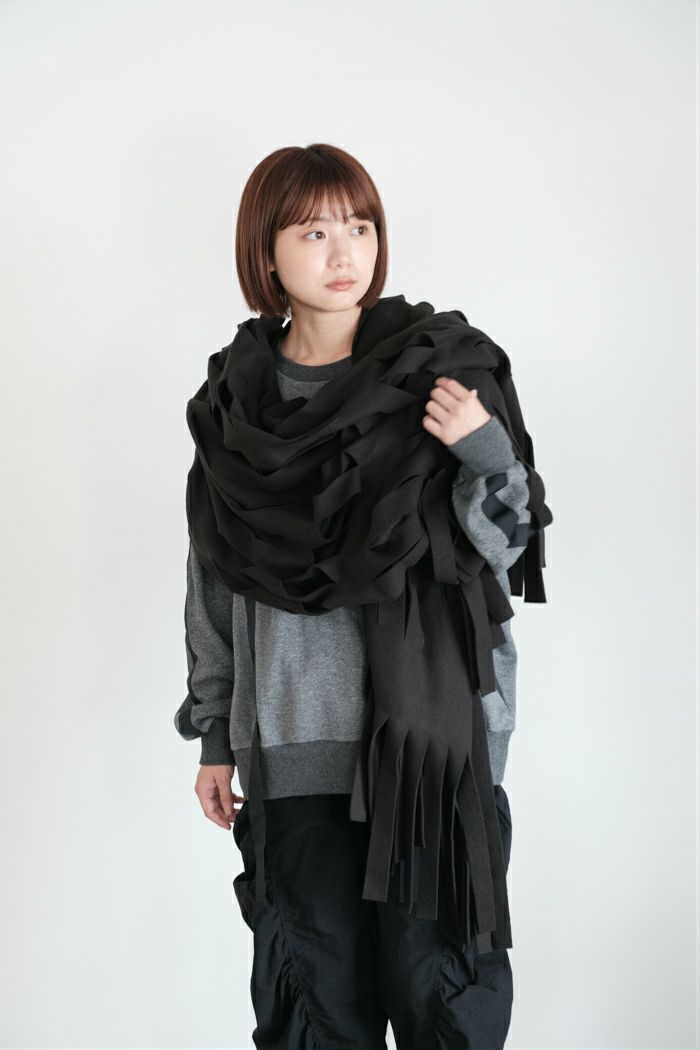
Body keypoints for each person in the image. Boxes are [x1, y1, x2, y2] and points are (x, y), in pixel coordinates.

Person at [174, 142, 552, 1049]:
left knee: (445, 1009)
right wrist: (215, 733)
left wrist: (484, 449)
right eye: (314, 232)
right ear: (268, 254)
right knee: (315, 1018)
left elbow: (508, 546)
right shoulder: (235, 412)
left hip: (433, 759)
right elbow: (213, 580)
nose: (345, 252)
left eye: (360, 226)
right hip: (292, 752)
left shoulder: (442, 373)